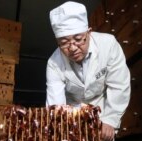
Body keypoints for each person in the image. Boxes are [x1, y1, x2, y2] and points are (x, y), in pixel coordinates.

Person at [46, 1, 131, 141]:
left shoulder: (108, 45)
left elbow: (119, 85)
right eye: (64, 42)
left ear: (89, 32)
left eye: (78, 39)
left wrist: (110, 119)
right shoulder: (53, 64)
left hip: (103, 108)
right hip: (73, 112)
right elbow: (56, 105)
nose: (72, 48)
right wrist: (60, 130)